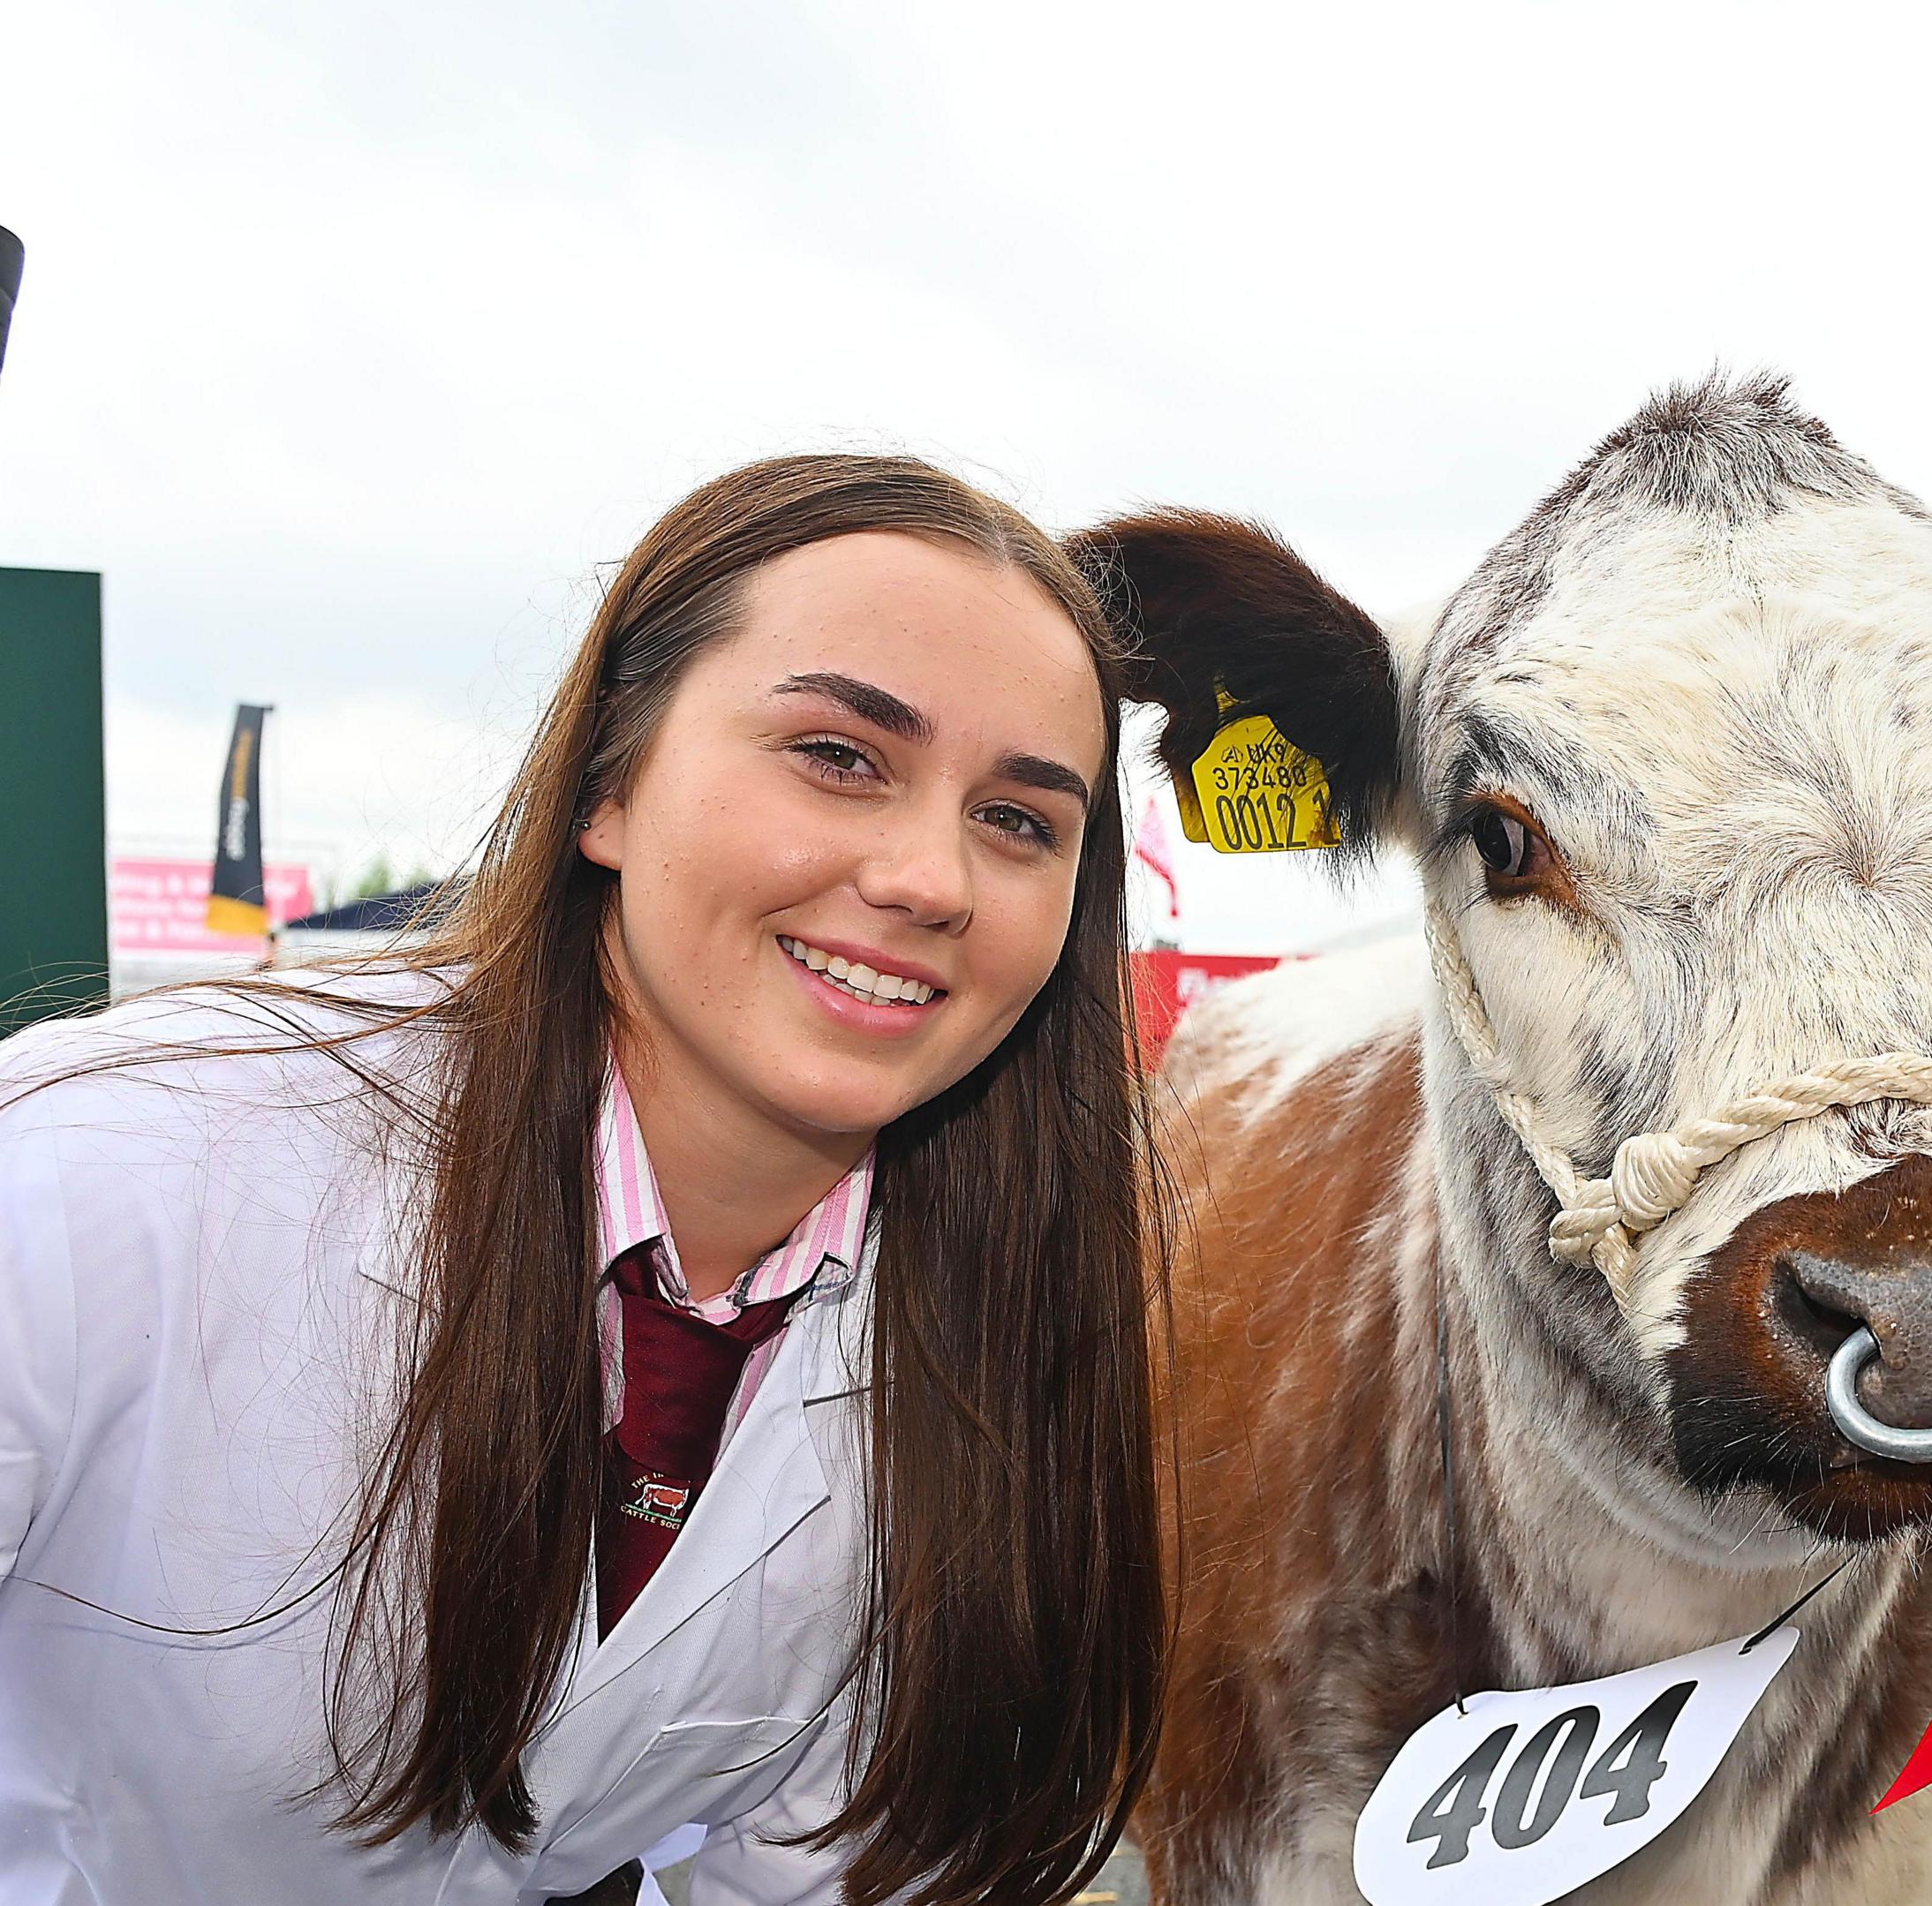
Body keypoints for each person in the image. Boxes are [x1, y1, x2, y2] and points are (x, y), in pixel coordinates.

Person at [0, 456, 1167, 1903]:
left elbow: (843, 1869)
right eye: (838, 757)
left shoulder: (994, 1333)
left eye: (1019, 820)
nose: (933, 877)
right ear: (609, 786)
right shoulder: (103, 1161)